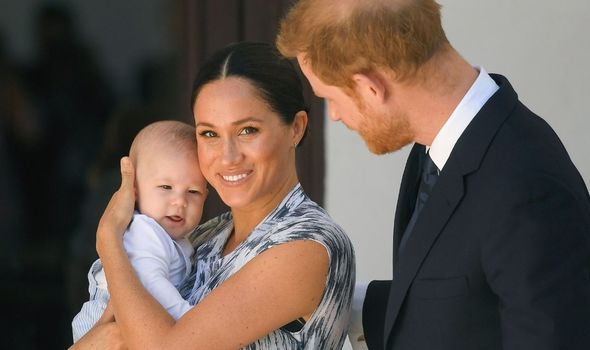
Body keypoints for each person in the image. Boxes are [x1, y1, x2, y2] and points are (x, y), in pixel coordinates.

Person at [277, 1, 590, 350]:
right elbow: (459, 301)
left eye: (330, 98)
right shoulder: (439, 145)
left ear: (370, 87)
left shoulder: (528, 188)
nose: (334, 115)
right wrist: (331, 297)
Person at [70, 41, 355, 349]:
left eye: (247, 130)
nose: (228, 156)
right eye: (209, 134)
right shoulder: (203, 236)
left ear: (296, 128)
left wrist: (109, 240)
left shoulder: (307, 245)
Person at [71, 120, 208, 342]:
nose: (180, 201)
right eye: (166, 187)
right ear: (134, 189)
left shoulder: (176, 237)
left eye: (193, 192)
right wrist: (188, 319)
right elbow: (151, 283)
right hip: (106, 324)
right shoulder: (145, 232)